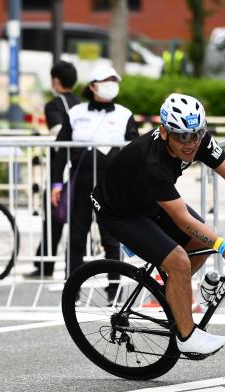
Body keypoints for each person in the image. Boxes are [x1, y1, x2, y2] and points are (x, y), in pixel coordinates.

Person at [91, 93, 225, 355]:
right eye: (181, 136)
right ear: (165, 132)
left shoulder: (197, 139)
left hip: (147, 200)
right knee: (180, 259)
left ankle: (173, 294)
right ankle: (186, 336)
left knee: (197, 238)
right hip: (119, 212)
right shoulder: (151, 162)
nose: (190, 143)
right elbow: (182, 219)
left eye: (196, 134)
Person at [51, 64, 138, 278]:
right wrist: (56, 183)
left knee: (111, 238)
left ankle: (114, 290)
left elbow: (136, 154)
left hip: (112, 186)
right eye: (105, 80)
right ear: (92, 86)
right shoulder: (75, 113)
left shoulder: (125, 115)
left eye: (114, 80)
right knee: (77, 237)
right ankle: (72, 287)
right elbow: (61, 151)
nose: (111, 85)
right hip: (81, 181)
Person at [26, 61, 81, 279]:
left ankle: (45, 265)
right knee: (77, 220)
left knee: (54, 215)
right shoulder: (82, 103)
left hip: (62, 167)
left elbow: (60, 134)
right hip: (83, 166)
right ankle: (72, 267)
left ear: (55, 81)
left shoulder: (53, 105)